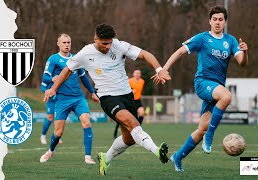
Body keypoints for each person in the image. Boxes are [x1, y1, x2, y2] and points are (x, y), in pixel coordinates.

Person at [44, 23, 171, 175]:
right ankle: (157, 151)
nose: (108, 46)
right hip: (108, 98)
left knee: (129, 138)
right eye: (104, 43)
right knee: (133, 123)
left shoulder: (119, 45)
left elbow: (144, 54)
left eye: (110, 42)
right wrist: (54, 88)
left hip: (126, 95)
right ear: (95, 39)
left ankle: (106, 157)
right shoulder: (85, 54)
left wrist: (159, 69)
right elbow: (67, 70)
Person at [153, 5, 248, 172]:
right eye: (215, 19)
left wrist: (245, 53)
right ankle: (210, 137)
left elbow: (242, 63)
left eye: (221, 19)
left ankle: (178, 156)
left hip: (216, 89)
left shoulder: (231, 41)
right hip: (203, 83)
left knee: (201, 129)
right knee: (226, 97)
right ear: (209, 21)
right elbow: (179, 52)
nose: (217, 22)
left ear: (225, 22)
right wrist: (163, 69)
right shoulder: (202, 38)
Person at [39, 33, 99, 165]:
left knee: (86, 122)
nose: (67, 45)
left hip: (78, 98)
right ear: (58, 43)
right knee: (58, 132)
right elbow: (45, 78)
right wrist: (53, 78)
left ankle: (88, 157)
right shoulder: (53, 59)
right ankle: (50, 151)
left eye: (69, 42)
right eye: (64, 42)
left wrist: (93, 92)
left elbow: (83, 77)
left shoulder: (76, 58)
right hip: (62, 100)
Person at [113, 69, 145, 138]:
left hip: (137, 101)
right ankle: (115, 131)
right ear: (133, 74)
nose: (137, 74)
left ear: (140, 74)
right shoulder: (130, 81)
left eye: (138, 73)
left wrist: (139, 94)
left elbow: (139, 90)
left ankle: (138, 130)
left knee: (141, 113)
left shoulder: (142, 81)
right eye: (136, 73)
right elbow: (124, 89)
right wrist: (131, 92)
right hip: (129, 100)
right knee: (122, 118)